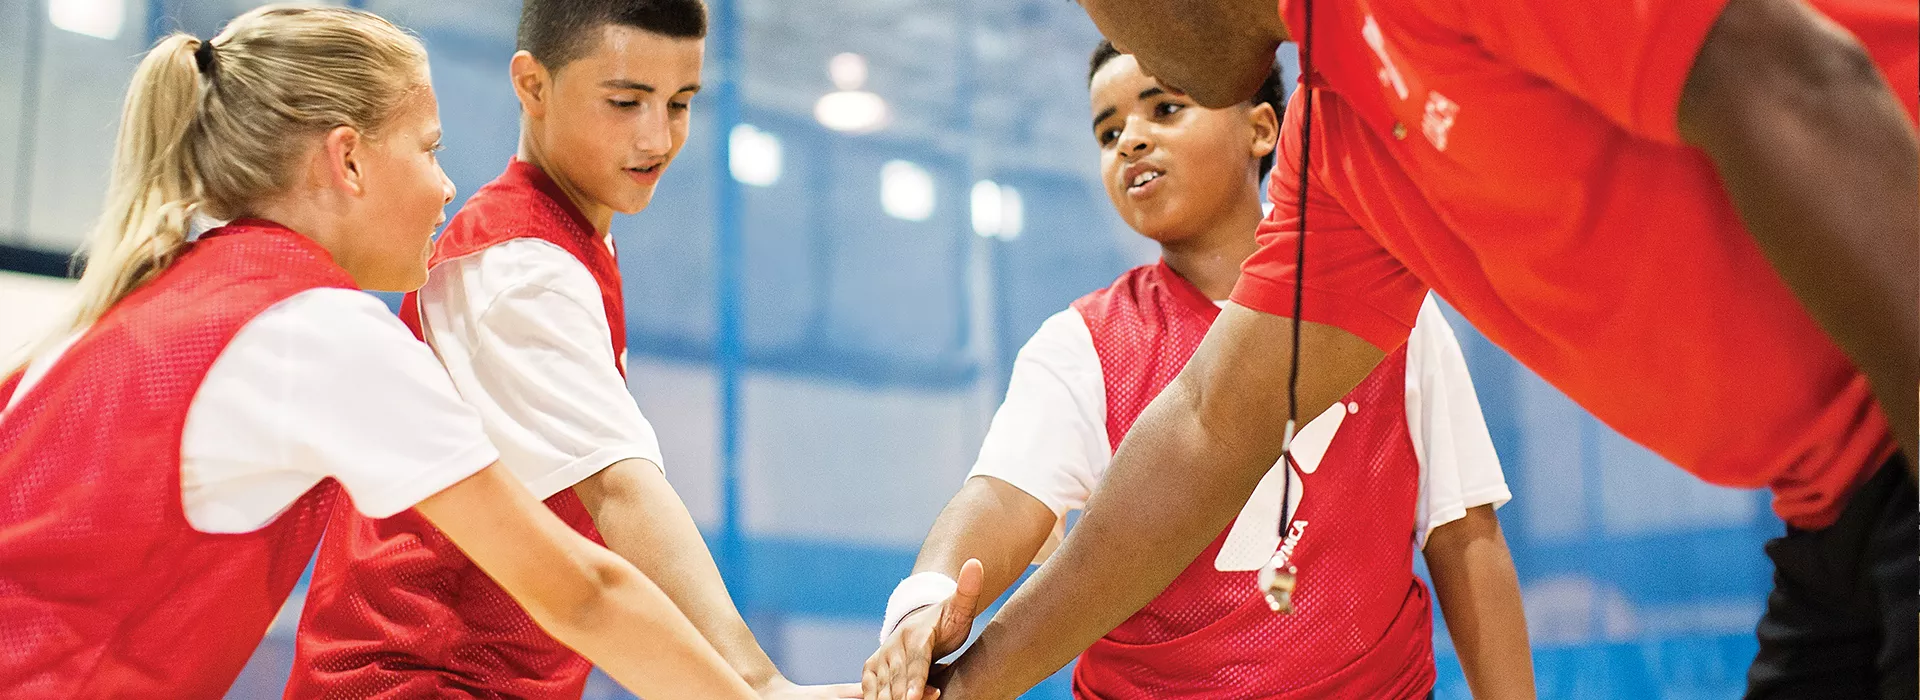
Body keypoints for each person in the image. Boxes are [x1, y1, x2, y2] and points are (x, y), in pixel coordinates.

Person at [933, 0, 1920, 698]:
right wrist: (966, 681)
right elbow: (1206, 430)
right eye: (1108, 126)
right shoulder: (1346, 148)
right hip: (1835, 506)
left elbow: (1787, 69)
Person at [0, 6, 758, 699]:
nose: (445, 185)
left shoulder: (132, 304)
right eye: (430, 148)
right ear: (349, 161)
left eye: (681, 103)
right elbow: (584, 591)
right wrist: (759, 691)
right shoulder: (318, 330)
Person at [861, 42, 1532, 700]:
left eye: (1165, 109)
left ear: (1263, 129)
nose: (1131, 141)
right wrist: (928, 598)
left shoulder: (1391, 312)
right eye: (1109, 130)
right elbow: (1004, 495)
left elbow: (1463, 535)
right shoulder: (1082, 344)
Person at [286, 2, 853, 698]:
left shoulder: (566, 245)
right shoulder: (516, 268)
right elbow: (619, 492)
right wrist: (759, 685)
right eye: (625, 101)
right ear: (532, 86)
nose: (658, 136)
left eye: (679, 103)